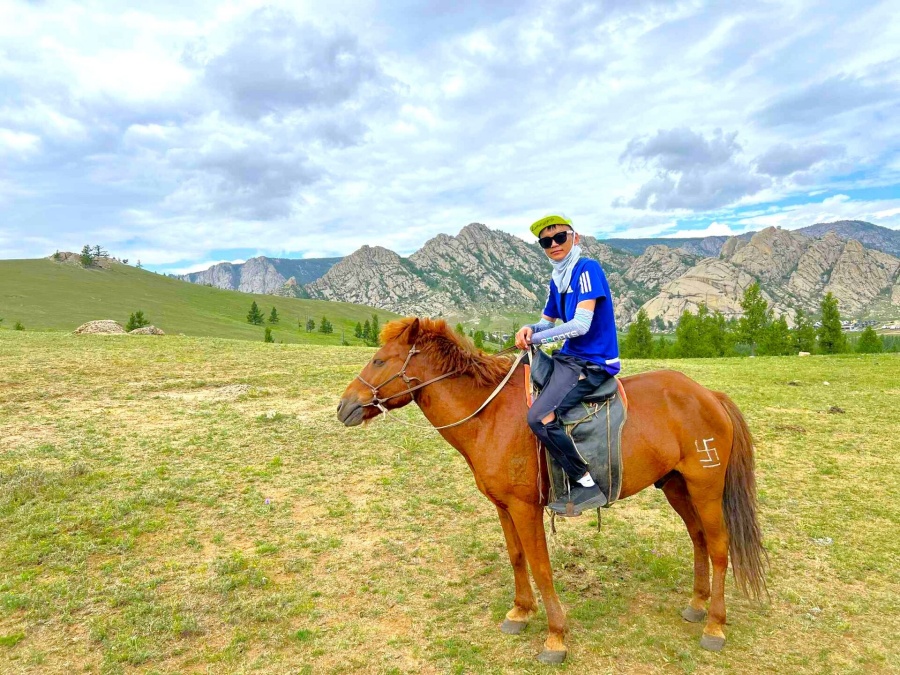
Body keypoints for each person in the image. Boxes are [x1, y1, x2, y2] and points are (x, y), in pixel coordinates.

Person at [515, 215, 621, 516]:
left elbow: (581, 324)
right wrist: (528, 329)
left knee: (539, 416)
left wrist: (538, 337)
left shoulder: (587, 269)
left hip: (592, 361)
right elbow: (545, 322)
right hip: (569, 357)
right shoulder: (557, 280)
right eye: (546, 242)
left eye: (559, 237)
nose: (553, 245)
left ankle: (585, 482)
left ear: (575, 238)